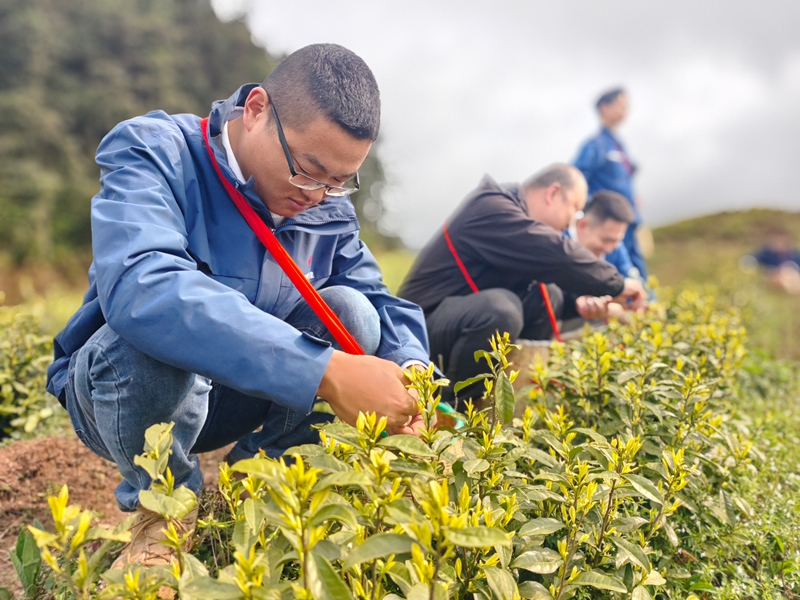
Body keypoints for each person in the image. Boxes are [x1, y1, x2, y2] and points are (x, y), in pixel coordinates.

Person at [45, 44, 431, 570]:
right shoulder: (155, 150)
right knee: (150, 331)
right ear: (256, 110)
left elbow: (379, 300)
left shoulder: (325, 206)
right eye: (308, 170)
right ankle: (165, 514)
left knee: (354, 313)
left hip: (235, 396)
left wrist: (413, 372)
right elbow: (143, 286)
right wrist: (326, 371)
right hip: (126, 394)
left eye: (339, 183)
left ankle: (253, 485)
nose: (317, 195)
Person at [397, 164, 647, 405]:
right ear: (553, 193)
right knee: (501, 309)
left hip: (453, 322)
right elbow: (554, 253)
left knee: (548, 293)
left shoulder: (511, 218)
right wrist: (617, 284)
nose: (573, 220)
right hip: (416, 332)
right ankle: (457, 410)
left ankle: (520, 398)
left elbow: (543, 279)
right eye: (575, 208)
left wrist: (577, 305)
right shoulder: (492, 208)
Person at [573, 88, 648, 280]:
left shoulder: (619, 145)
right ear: (604, 108)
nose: (625, 110)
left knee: (636, 269)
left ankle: (646, 297)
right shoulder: (595, 145)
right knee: (617, 272)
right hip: (609, 223)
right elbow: (576, 179)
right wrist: (594, 211)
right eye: (620, 105)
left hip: (629, 220)